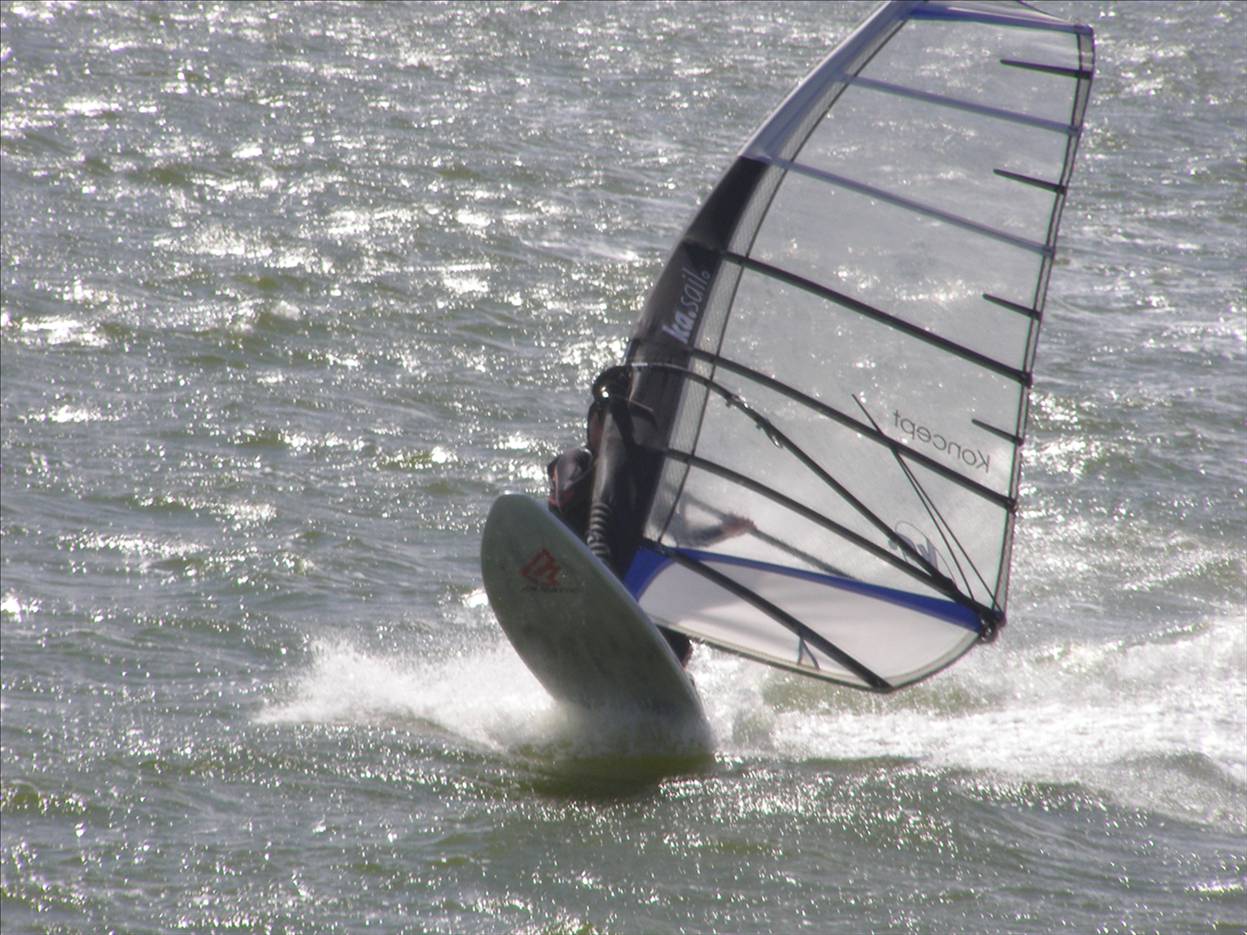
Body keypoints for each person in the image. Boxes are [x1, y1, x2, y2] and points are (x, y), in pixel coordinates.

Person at [546, 367, 753, 666]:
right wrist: (609, 461)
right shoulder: (577, 459)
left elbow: (680, 533)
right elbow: (567, 498)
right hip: (575, 570)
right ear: (593, 425)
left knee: (679, 646)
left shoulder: (630, 483)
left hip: (617, 581)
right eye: (606, 423)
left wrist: (723, 530)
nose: (612, 431)